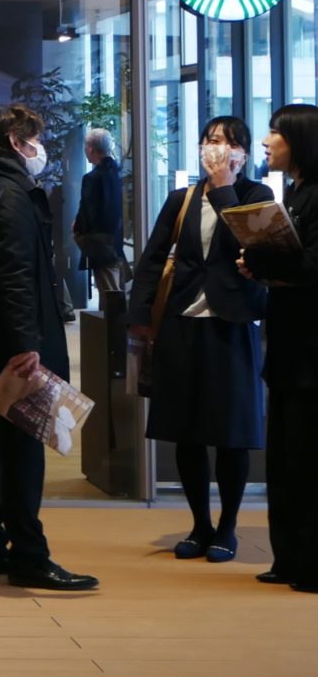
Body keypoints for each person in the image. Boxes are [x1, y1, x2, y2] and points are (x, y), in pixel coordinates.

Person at [0, 103, 98, 591]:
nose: (40, 151)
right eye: (34, 141)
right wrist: (26, 343)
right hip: (15, 350)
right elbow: (17, 277)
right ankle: (30, 554)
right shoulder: (12, 196)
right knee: (25, 451)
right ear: (15, 142)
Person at [127, 116, 270, 563]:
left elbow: (255, 248)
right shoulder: (181, 199)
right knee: (186, 430)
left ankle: (228, 527)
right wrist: (140, 316)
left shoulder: (256, 196)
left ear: (242, 152)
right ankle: (199, 524)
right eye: (210, 140)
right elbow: (152, 259)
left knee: (230, 432)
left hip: (232, 323)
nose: (217, 148)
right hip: (182, 321)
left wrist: (225, 186)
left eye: (227, 142)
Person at [239, 104, 318, 591]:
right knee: (286, 460)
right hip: (291, 349)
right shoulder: (295, 191)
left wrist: (266, 262)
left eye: (276, 133)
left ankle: (307, 563)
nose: (267, 141)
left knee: (305, 460)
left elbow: (311, 267)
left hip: (311, 353)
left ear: (300, 140)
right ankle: (290, 559)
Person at [73, 128, 127, 303]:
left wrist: (77, 228)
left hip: (100, 243)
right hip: (117, 240)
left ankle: (111, 330)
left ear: (90, 149)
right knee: (118, 290)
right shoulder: (119, 172)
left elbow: (88, 211)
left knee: (109, 295)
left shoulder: (92, 177)